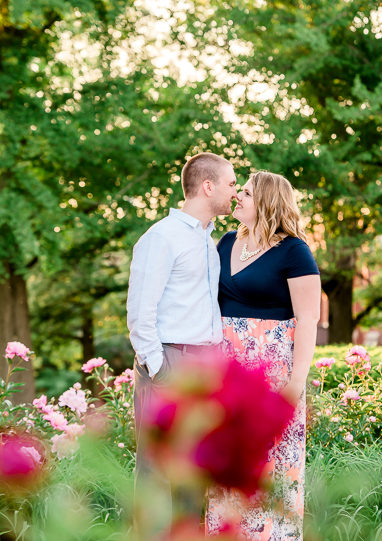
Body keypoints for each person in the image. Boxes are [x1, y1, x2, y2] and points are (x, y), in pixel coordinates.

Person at [127, 152, 238, 537]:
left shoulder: (209, 242)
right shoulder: (161, 238)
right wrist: (160, 368)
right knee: (157, 474)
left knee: (194, 472)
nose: (235, 192)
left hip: (204, 368)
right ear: (208, 187)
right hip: (170, 364)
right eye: (231, 183)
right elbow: (141, 313)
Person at [206, 171, 321, 540]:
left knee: (270, 466)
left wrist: (296, 382)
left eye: (247, 193)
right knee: (224, 463)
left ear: (268, 202)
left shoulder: (294, 251)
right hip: (225, 375)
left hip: (273, 374)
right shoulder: (225, 243)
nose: (237, 196)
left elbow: (308, 318)